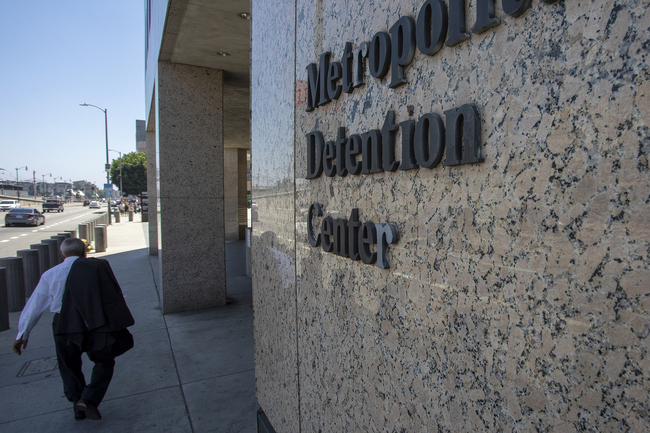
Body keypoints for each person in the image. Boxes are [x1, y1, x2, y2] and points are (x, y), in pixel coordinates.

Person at [12, 238, 134, 421]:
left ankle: (78, 405)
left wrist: (23, 333)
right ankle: (88, 399)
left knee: (69, 365)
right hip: (94, 320)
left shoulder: (50, 274)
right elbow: (112, 295)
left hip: (64, 323)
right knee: (105, 360)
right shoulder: (95, 269)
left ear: (62, 254)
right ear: (85, 252)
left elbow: (34, 305)